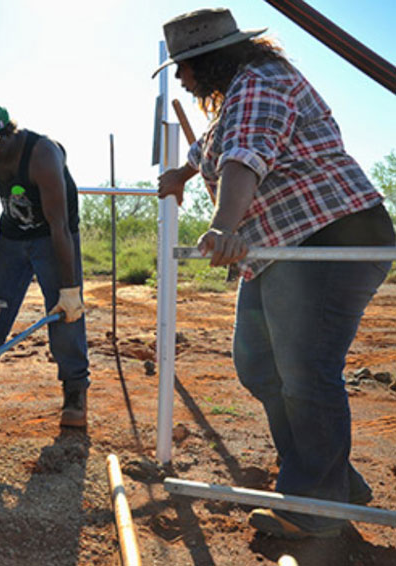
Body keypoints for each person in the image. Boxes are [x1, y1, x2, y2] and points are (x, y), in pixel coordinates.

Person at [155, 9, 394, 538]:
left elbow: (245, 157)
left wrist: (221, 227)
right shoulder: (239, 94)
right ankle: (331, 479)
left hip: (333, 236)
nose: (180, 78)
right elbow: (214, 146)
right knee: (257, 364)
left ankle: (316, 506)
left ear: (207, 60)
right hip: (283, 250)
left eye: (184, 66)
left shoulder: (262, 83)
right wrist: (182, 173)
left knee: (306, 369)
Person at [0, 104, 90, 428]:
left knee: (64, 314)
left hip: (53, 236)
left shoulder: (42, 154)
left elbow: (60, 226)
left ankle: (75, 391)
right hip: (11, 238)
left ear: (9, 133)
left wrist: (69, 289)